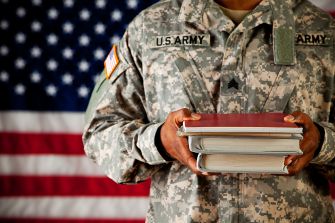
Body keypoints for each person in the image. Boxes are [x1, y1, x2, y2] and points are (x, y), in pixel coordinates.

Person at [83, 0, 335, 222]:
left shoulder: (323, 29)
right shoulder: (151, 27)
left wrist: (322, 142)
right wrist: (159, 141)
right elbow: (99, 133)